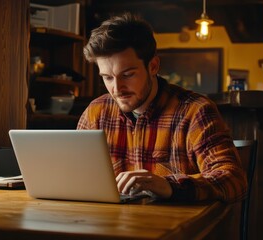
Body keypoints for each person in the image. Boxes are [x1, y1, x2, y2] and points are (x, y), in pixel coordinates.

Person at [78, 13, 247, 202]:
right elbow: (73, 174)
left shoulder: (195, 111)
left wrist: (170, 186)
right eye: (107, 77)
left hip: (178, 229)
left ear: (153, 66)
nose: (116, 89)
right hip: (110, 226)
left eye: (127, 74)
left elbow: (233, 180)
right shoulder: (96, 113)